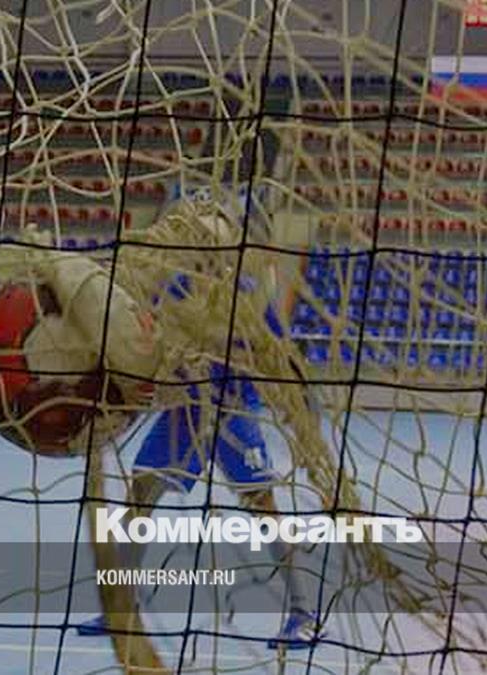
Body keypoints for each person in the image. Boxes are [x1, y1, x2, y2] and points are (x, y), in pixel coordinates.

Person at [72, 223, 320, 650]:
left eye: (210, 246)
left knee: (264, 508)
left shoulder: (249, 296)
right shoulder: (175, 290)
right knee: (140, 494)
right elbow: (156, 349)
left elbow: (276, 354)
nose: (203, 253)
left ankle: (304, 613)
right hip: (185, 411)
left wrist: (294, 406)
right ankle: (121, 607)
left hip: (232, 411)